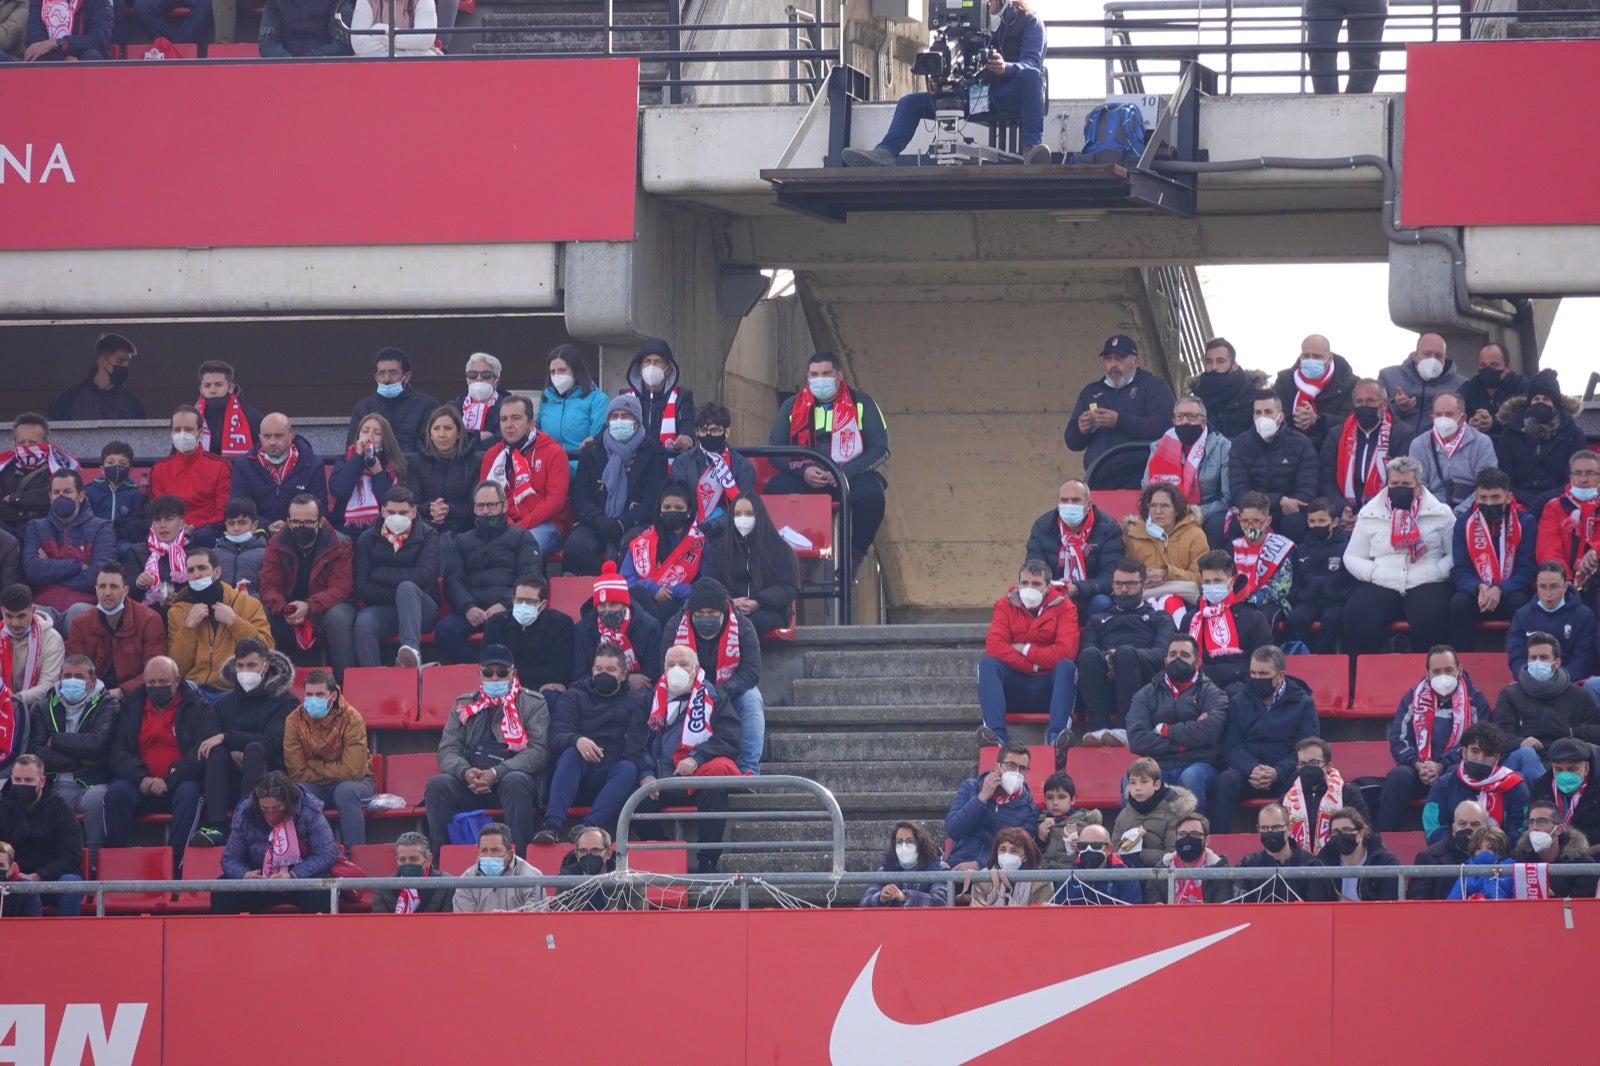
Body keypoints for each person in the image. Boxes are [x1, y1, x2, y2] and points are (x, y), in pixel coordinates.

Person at [842, 0, 1049, 166]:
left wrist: (1006, 68)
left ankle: (1031, 149)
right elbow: (955, 63)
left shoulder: (1030, 22)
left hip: (1006, 95)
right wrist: (937, 80)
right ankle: (885, 153)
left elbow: (1031, 64)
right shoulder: (964, 25)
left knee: (1032, 76)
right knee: (909, 103)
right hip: (973, 97)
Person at [766, 351, 891, 567]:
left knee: (873, 495)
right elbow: (775, 451)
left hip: (850, 477)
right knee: (774, 489)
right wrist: (803, 472)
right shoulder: (791, 406)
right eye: (814, 375)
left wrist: (845, 473)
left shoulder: (862, 404)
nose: (820, 379)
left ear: (839, 375)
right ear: (807, 377)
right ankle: (794, 558)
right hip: (806, 477)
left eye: (826, 373)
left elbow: (881, 449)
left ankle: (854, 556)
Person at [424, 644, 551, 853]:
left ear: (513, 674)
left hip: (509, 779)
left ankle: (519, 859)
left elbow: (539, 751)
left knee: (515, 782)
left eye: (501, 673)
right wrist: (465, 772)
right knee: (437, 785)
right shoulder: (464, 705)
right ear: (480, 674)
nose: (494, 678)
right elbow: (448, 749)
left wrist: (496, 772)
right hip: (472, 781)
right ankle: (441, 860)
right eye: (488, 673)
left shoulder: (533, 703)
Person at [640, 643, 742, 873]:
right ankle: (665, 854)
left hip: (695, 779)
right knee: (633, 798)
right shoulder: (649, 700)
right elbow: (636, 743)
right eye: (671, 665)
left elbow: (730, 739)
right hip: (658, 781)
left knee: (714, 792)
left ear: (696, 669)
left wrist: (696, 757)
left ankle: (707, 862)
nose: (676, 669)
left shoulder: (715, 697)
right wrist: (645, 774)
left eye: (683, 664)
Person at [187, 639, 298, 846]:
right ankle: (218, 827)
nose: (245, 671)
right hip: (229, 778)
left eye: (251, 665)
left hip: (270, 777)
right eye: (240, 665)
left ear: (265, 666)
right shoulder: (225, 704)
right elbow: (211, 739)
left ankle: (250, 823)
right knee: (216, 751)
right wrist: (229, 749)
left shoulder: (286, 701)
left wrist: (229, 738)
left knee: (254, 749)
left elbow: (273, 741)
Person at [1340, 456, 1455, 655]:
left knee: (1432, 616)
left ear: (1418, 485)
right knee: (1357, 614)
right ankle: (1362, 673)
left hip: (1427, 579)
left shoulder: (1441, 513)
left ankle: (1431, 672)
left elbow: (1455, 553)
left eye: (1406, 484)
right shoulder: (1369, 513)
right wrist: (1372, 572)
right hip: (1382, 579)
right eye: (1394, 484)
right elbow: (1351, 556)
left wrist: (1438, 571)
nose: (1399, 488)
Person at [535, 643, 648, 844]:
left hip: (612, 776)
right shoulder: (573, 696)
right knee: (571, 754)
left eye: (611, 670)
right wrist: (577, 740)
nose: (604, 674)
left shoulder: (636, 702)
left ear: (623, 675)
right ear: (592, 670)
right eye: (599, 669)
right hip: (577, 775)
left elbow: (636, 748)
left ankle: (588, 828)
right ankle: (551, 827)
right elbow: (556, 736)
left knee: (628, 768)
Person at [1377, 645, 1491, 831]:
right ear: (1427, 673)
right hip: (1419, 770)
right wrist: (1417, 764)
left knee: (1458, 774)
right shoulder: (1413, 697)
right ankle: (1384, 836)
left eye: (1448, 670)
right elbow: (1399, 738)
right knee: (1398, 776)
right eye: (1436, 671)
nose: (1443, 676)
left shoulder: (1475, 699)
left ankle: (1457, 836)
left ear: (1459, 669)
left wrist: (1442, 765)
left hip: (1451, 769)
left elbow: (1476, 743)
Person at [664, 577, 768, 776]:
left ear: (723, 611)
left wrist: (719, 691)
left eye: (711, 613)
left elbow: (751, 672)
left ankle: (749, 771)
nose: (706, 617)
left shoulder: (743, 627)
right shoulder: (675, 626)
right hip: (686, 691)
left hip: (730, 690)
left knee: (752, 700)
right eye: (700, 613)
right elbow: (666, 666)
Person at [1210, 645, 1319, 832]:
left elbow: (1307, 749)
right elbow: (1231, 746)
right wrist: (1251, 768)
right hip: (1249, 774)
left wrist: (1278, 772)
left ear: (1280, 675)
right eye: (1253, 673)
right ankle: (1219, 841)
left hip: (1285, 774)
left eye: (1263, 674)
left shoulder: (1303, 703)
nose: (1257, 678)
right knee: (1225, 781)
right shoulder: (1238, 701)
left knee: (1302, 780)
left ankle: (1299, 840)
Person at [26, 655, 118, 875]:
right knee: (54, 803)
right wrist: (77, 760)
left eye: (79, 676)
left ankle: (94, 864)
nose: (72, 681)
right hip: (55, 783)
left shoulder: (108, 705)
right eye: (67, 676)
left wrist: (56, 741)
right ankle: (70, 865)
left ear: (92, 680)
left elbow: (97, 744)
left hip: (92, 782)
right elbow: (37, 751)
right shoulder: (43, 707)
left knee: (98, 799)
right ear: (59, 678)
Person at [976, 559, 1078, 755]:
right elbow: (995, 647)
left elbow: (1066, 652)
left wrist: (1025, 650)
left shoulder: (1065, 607)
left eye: (1036, 584)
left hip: (1050, 688)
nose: (1029, 588)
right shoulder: (1005, 605)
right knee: (988, 665)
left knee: (1066, 666)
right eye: (1025, 583)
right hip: (1016, 686)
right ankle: (996, 737)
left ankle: (1057, 738)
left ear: (1048, 587)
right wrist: (1033, 666)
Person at [435, 481, 541, 665]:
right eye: (480, 506)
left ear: (504, 506)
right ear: (474, 509)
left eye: (491, 505)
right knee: (445, 631)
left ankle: (503, 672)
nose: (486, 511)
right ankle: (478, 671)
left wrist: (504, 604)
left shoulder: (522, 537)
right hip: (472, 610)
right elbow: (452, 580)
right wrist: (468, 608)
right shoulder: (460, 541)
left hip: (509, 609)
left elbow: (530, 577)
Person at [1075, 558, 1176, 748]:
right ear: (1112, 585)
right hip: (1105, 683)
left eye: (1130, 584)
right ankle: (1099, 728)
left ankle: (1125, 728)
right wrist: (1111, 659)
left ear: (1143, 585)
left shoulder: (1159, 618)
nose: (1123, 589)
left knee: (1125, 655)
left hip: (1144, 684)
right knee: (1089, 656)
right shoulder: (1098, 619)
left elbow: (1161, 654)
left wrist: (1125, 657)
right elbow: (1087, 650)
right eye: (1119, 584)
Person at [565, 394, 670, 576]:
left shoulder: (654, 452)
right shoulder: (592, 450)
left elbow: (653, 499)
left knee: (632, 546)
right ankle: (602, 583)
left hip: (635, 521)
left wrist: (623, 522)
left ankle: (624, 587)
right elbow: (580, 497)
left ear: (637, 421)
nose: (619, 421)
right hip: (597, 521)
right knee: (576, 546)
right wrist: (598, 519)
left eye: (625, 416)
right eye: (614, 416)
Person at [212, 771, 339, 914]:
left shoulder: (309, 810)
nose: (270, 814)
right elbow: (230, 858)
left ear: (289, 802)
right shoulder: (246, 813)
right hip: (259, 884)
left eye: (276, 808)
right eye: (264, 809)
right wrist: (244, 874)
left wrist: (294, 875)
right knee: (222, 890)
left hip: (299, 881)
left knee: (323, 887)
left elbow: (326, 854)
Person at [257, 495, 356, 677]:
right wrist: (284, 608)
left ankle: (345, 679)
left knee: (338, 617)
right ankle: (266, 678)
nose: (301, 527)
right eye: (296, 522)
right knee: (261, 612)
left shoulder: (340, 544)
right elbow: (269, 586)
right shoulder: (276, 544)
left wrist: (309, 606)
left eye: (309, 522)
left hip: (325, 607)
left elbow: (341, 588)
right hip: (287, 608)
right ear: (288, 522)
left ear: (321, 522)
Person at [1064, 334, 1178, 491]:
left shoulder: (1153, 386)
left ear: (1136, 361)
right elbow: (1071, 442)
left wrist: (1119, 421)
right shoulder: (1090, 392)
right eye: (1108, 359)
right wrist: (1081, 429)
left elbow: (1165, 426)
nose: (1113, 364)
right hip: (1098, 478)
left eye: (1119, 358)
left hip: (1141, 478)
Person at [1128, 633, 1228, 810]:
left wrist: (1165, 731)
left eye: (1185, 655)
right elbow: (1137, 739)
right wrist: (1182, 744)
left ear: (1197, 662)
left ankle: (1194, 828)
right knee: (1132, 781)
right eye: (1173, 654)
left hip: (1200, 764)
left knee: (1191, 777)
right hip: (1157, 765)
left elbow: (1210, 731)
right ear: (1165, 660)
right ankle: (1136, 829)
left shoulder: (1213, 693)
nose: (1177, 659)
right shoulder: (1145, 694)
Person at [282, 668, 376, 847]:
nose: (313, 699)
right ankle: (311, 852)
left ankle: (354, 853)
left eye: (319, 694)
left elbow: (353, 771)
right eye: (309, 694)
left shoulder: (352, 718)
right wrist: (330, 772)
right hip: (316, 786)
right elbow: (297, 772)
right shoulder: (293, 720)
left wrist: (313, 765)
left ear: (333, 696)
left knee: (345, 792)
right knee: (297, 791)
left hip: (359, 782)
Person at [1492, 630, 1600, 784]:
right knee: (1527, 755)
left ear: (1557, 663)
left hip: (1564, 757)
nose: (1537, 662)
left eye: (1543, 658)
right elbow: (1499, 735)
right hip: (1522, 755)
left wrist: (1573, 731)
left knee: (1523, 777)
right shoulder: (1510, 694)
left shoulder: (1577, 694)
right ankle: (1548, 791)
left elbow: (1596, 729)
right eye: (1533, 657)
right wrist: (1520, 742)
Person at [1445, 467, 1534, 649]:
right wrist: (1479, 587)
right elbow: (1460, 568)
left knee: (1520, 604)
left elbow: (1527, 569)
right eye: (1483, 498)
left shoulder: (1525, 522)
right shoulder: (1464, 523)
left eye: (1495, 497)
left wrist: (1500, 589)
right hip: (1478, 591)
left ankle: (1517, 657)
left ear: (1508, 497)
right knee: (1459, 604)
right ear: (1476, 497)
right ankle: (1462, 659)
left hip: (1511, 590)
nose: (1489, 503)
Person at [166, 548, 273, 696]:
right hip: (194, 690)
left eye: (202, 568)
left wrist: (235, 622)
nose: (196, 575)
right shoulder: (177, 612)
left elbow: (266, 650)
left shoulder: (249, 604)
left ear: (217, 572)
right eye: (191, 570)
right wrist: (188, 626)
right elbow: (177, 668)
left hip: (234, 689)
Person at [352, 487, 439, 669]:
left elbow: (425, 576)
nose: (397, 517)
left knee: (407, 587)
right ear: (383, 511)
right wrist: (398, 595)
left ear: (414, 512)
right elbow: (361, 587)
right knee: (364, 622)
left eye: (403, 512)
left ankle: (411, 654)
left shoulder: (428, 535)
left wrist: (378, 574)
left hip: (422, 609)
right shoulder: (367, 539)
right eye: (391, 512)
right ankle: (371, 677)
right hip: (385, 610)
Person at [1220, 390, 1318, 543]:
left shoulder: (1302, 444)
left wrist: (1286, 503)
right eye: (1258, 413)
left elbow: (1308, 490)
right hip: (1256, 510)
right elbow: (1239, 491)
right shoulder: (1240, 445)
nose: (1262, 417)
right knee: (1236, 525)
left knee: (1294, 524)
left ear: (1281, 416)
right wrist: (1278, 500)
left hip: (1290, 511)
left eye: (1268, 412)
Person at [478, 395, 569, 557]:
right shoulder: (492, 455)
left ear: (531, 423)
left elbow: (555, 501)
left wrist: (519, 528)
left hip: (545, 525)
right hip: (499, 523)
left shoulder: (554, 452)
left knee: (523, 549)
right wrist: (507, 525)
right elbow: (485, 499)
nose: (509, 425)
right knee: (474, 549)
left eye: (516, 418)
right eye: (504, 419)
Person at [23, 468, 113, 628]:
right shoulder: (36, 527)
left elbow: (100, 576)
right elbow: (31, 571)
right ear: (50, 497)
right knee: (32, 618)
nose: (61, 497)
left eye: (67, 491)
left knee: (78, 613)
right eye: (56, 492)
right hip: (44, 604)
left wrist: (49, 571)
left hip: (84, 604)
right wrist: (77, 566)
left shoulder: (102, 527)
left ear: (81, 496)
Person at [702, 493, 800, 636]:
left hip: (770, 611)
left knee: (755, 621)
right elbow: (712, 584)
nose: (742, 519)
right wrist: (729, 602)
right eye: (737, 514)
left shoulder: (780, 548)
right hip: (729, 609)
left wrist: (758, 602)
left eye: (749, 514)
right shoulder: (720, 549)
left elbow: (789, 587)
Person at [67, 563, 165, 700]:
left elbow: (154, 671)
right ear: (96, 590)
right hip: (91, 696)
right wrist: (95, 693)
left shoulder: (149, 620)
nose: (107, 593)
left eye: (113, 586)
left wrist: (122, 691)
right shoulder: (81, 623)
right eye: (102, 586)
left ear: (126, 590)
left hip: (136, 696)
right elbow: (75, 670)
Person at [1495, 369, 1588, 513]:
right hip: (1517, 500)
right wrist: (1526, 498)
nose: (1541, 403)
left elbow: (1575, 477)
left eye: (1546, 399)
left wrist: (1544, 498)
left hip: (1560, 500)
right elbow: (1503, 475)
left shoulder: (1572, 434)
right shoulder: (1511, 432)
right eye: (1536, 399)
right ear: (1529, 402)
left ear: (1555, 404)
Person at [1025, 478, 1125, 613]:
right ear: (1058, 504)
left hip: (1092, 596)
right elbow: (1033, 569)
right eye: (1064, 500)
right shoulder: (1043, 527)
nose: (1069, 505)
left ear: (1088, 505)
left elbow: (1111, 575)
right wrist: (1057, 586)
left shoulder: (1108, 527)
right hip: (1052, 593)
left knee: (1102, 602)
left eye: (1075, 500)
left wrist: (1078, 588)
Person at [0, 755, 83, 915]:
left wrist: (37, 876)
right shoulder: (2, 807)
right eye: (17, 779)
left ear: (42, 781)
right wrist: (14, 875)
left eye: (28, 780)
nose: (22, 784)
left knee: (71, 883)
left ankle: (67, 931)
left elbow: (71, 856)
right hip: (12, 880)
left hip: (52, 880)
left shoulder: (61, 809)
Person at [1422, 722, 1529, 843]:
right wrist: (1461, 846)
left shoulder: (1515, 787)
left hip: (1499, 853)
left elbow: (1518, 833)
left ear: (1497, 758)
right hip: (1452, 852)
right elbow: (1433, 829)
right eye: (1475, 751)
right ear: (1464, 752)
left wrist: (1487, 848)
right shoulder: (1443, 785)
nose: (1480, 758)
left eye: (1488, 754)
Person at [944, 741, 1039, 869]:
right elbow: (953, 830)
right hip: (958, 864)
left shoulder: (1028, 809)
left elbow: (1020, 852)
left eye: (1022, 768)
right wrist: (981, 798)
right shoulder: (971, 788)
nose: (1016, 772)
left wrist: (979, 864)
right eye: (1011, 765)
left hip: (995, 870)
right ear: (997, 766)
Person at [1143, 395, 1232, 531]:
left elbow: (1227, 498)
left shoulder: (1222, 447)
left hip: (1207, 513)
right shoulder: (1158, 448)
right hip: (1164, 513)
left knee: (1217, 525)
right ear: (1174, 421)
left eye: (1192, 416)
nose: (1185, 421)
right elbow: (1147, 488)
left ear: (1203, 421)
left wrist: (1191, 514)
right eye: (1179, 417)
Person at [622, 481, 705, 624]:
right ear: (659, 510)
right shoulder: (641, 542)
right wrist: (653, 588)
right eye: (667, 507)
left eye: (678, 508)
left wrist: (675, 590)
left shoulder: (701, 543)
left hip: (681, 605)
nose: (672, 511)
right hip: (643, 602)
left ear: (688, 511)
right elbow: (625, 581)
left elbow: (706, 584)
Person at [1188, 550, 1271, 692]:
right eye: (1207, 582)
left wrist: (1232, 673)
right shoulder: (1191, 620)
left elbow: (1264, 661)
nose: (1212, 586)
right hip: (1199, 688)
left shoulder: (1253, 618)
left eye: (1217, 581)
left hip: (1240, 689)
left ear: (1231, 581)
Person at [670, 402, 756, 539]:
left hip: (729, 534)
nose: (708, 435)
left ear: (727, 432)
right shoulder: (682, 463)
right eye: (703, 430)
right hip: (689, 530)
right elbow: (680, 500)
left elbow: (744, 508)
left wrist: (714, 525)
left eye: (715, 430)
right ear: (697, 432)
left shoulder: (743, 467)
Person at [231, 413, 327, 535]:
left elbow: (320, 508)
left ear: (291, 436)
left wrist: (292, 525)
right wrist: (266, 525)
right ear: (260, 437)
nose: (272, 442)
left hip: (301, 532)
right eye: (267, 436)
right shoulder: (243, 465)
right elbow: (238, 508)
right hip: (258, 533)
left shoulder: (312, 464)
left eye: (278, 436)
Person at [149, 406, 233, 544]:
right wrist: (176, 527)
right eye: (177, 430)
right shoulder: (159, 469)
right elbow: (158, 510)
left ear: (200, 433)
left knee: (203, 537)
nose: (182, 434)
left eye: (188, 429)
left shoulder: (221, 466)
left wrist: (195, 526)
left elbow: (223, 512)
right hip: (169, 531)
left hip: (206, 532)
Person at [572, 563, 662, 692]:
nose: (607, 610)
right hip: (595, 693)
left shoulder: (649, 626)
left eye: (613, 604)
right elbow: (580, 676)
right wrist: (622, 680)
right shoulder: (583, 629)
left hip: (635, 695)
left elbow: (650, 676)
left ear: (625, 604)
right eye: (602, 605)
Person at [483, 573, 577, 696]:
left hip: (542, 690)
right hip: (505, 686)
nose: (523, 605)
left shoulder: (561, 624)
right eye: (519, 600)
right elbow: (489, 664)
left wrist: (511, 669)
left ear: (543, 604)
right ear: (512, 600)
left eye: (530, 601)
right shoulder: (496, 623)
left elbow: (558, 672)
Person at [1320, 379, 1393, 533]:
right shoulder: (1336, 435)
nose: (1364, 406)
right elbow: (1326, 479)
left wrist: (1368, 515)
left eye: (1370, 400)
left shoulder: (1399, 434)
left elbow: (1400, 482)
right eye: (1359, 402)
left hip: (1384, 514)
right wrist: (1343, 509)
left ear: (1384, 404)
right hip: (1344, 513)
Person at [1378, 333, 1468, 453]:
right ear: (1415, 355)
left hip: (1438, 451)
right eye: (1427, 354)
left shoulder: (1462, 385)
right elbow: (1375, 413)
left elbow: (1465, 421)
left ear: (1445, 358)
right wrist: (1397, 407)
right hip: (1396, 449)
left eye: (1438, 356)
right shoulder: (1388, 376)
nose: (1433, 360)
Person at [1510, 564, 1597, 687]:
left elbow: (1583, 660)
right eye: (1542, 587)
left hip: (1570, 686)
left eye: (1554, 587)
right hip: (1530, 685)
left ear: (1565, 586)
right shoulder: (1522, 616)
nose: (1548, 593)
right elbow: (1517, 658)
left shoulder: (1584, 616)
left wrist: (1558, 681)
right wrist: (1530, 679)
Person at [1283, 499, 1352, 653]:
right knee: (1296, 618)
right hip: (1308, 601)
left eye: (1322, 521)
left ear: (1334, 522)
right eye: (1312, 521)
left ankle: (1323, 657)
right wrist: (1300, 595)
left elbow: (1351, 582)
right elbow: (1294, 582)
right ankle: (1307, 654)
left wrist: (1340, 595)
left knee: (1332, 619)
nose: (1316, 525)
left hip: (1335, 602)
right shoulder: (1300, 549)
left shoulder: (1346, 548)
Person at [1408, 392, 1496, 513]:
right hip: (1431, 512)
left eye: (1449, 414)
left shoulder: (1482, 443)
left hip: (1472, 511)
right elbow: (1418, 486)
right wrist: (1438, 513)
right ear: (1432, 418)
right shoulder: (1419, 444)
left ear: (1463, 418)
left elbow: (1486, 485)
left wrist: (1460, 512)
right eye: (1438, 415)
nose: (1443, 419)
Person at [1282, 737, 1372, 852]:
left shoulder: (1348, 793)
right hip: (1299, 860)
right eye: (1302, 763)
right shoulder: (1287, 799)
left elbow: (1365, 830)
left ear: (1328, 766)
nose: (1308, 767)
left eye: (1314, 762)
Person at [0, 413, 80, 542]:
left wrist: (14, 499)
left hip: (46, 537)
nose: (26, 446)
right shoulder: (4, 468)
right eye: (21, 442)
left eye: (32, 442)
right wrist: (31, 512)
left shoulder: (59, 467)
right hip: (7, 539)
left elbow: (52, 499)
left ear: (46, 442)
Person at [1111, 756, 1199, 873]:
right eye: (1132, 783)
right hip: (1128, 875)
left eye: (1144, 782)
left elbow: (1173, 855)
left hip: (1162, 876)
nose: (1137, 788)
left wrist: (1139, 854)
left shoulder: (1173, 813)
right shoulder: (1123, 816)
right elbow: (1114, 851)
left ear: (1156, 785)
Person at [1123, 483, 1207, 604]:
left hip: (1184, 601)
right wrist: (1143, 579)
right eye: (1153, 505)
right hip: (1146, 601)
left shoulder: (1195, 534)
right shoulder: (1134, 535)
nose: (1158, 511)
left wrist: (1167, 573)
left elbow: (1201, 579)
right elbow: (1125, 577)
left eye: (1165, 506)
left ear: (1177, 510)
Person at [406, 405, 481, 539]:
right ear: (430, 434)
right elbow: (412, 504)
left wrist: (449, 509)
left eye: (448, 428)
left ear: (459, 433)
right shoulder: (415, 463)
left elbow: (476, 507)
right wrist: (431, 508)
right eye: (436, 429)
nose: (441, 434)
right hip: (424, 532)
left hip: (464, 532)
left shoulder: (475, 461)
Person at [1273, 334, 1358, 449]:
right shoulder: (1285, 381)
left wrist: (1318, 420)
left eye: (1316, 356)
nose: (1310, 360)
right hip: (1291, 448)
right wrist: (1298, 419)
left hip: (1331, 449)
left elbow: (1349, 421)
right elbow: (1275, 413)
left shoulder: (1350, 384)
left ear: (1329, 358)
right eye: (1306, 356)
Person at [1536, 450, 1600, 595]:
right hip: (1562, 581)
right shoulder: (1554, 507)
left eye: (1590, 473)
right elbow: (1548, 550)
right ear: (1571, 478)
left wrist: (1596, 550)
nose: (1583, 479)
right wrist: (1566, 580)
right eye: (1578, 473)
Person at [332, 413, 406, 537]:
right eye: (365, 431)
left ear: (385, 439)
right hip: (345, 528)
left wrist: (378, 473)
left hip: (382, 530)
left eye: (377, 433)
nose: (369, 437)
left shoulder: (392, 466)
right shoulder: (345, 461)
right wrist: (357, 458)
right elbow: (339, 490)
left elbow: (392, 503)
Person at [538, 344, 610, 466]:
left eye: (562, 370)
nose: (556, 376)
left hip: (582, 468)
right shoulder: (546, 400)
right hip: (550, 467)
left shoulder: (598, 400)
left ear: (576, 371)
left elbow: (597, 439)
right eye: (552, 372)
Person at [1228, 493, 1294, 627]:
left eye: (1256, 521)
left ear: (1268, 521)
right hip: (1237, 602)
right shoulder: (1232, 547)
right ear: (1239, 519)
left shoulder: (1281, 546)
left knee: (1257, 619)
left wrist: (1251, 601)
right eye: (1245, 521)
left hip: (1273, 603)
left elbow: (1281, 587)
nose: (1250, 526)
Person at [1308, 807, 1400, 902]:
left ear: (1360, 834)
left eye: (1346, 830)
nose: (1340, 835)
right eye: (1335, 832)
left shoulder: (1386, 863)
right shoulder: (1321, 865)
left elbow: (1389, 904)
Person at [621, 338, 696, 453]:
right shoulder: (626, 398)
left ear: (668, 369)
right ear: (640, 368)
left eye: (658, 362)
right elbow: (613, 425)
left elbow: (687, 422)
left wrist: (686, 437)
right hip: (634, 460)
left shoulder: (681, 397)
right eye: (647, 361)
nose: (651, 366)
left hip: (668, 460)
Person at [1512, 799, 1598, 898]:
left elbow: (1581, 905)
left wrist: (1553, 898)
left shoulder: (1582, 864)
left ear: (1558, 829)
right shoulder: (1521, 859)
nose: (1534, 827)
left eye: (1542, 821)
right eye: (1531, 822)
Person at [46, 334, 143, 421]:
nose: (126, 366)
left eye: (127, 362)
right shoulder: (68, 400)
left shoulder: (133, 404)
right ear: (102, 361)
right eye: (120, 361)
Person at [452, 821, 543, 913]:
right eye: (484, 850)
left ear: (510, 854)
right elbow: (463, 919)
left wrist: (506, 918)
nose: (489, 855)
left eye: (495, 850)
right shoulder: (466, 880)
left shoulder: (531, 876)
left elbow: (535, 915)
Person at [1234, 802, 1317, 902]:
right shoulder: (1247, 865)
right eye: (1264, 828)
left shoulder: (1311, 864)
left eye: (1276, 827)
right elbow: (1239, 906)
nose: (1270, 832)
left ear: (1289, 828)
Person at [1187, 338, 1265, 441]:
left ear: (1234, 365)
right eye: (1209, 362)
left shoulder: (1255, 398)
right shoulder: (1195, 401)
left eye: (1220, 361)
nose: (1214, 367)